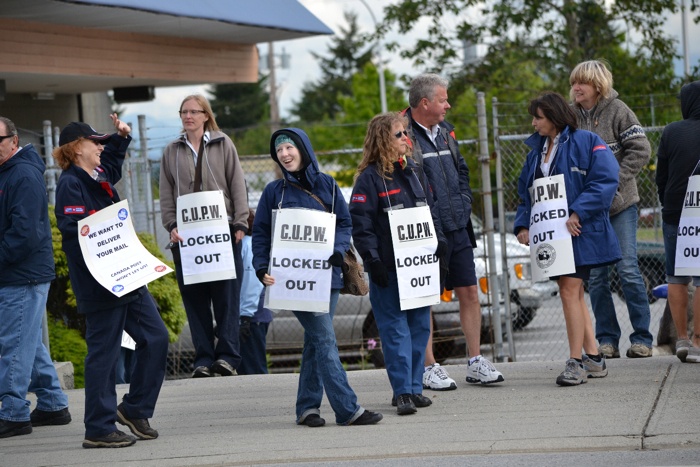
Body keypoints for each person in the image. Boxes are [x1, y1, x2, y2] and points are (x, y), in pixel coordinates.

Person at [252, 128, 382, 427]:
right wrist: (261, 267)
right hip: (290, 281)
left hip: (328, 278)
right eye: (279, 150)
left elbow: (344, 222)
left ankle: (307, 408)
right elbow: (260, 234)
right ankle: (348, 410)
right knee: (324, 339)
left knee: (315, 341)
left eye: (289, 147)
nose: (284, 154)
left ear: (303, 148)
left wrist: (337, 251)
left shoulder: (327, 185)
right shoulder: (274, 192)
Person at [55, 115, 169, 448]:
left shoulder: (97, 174)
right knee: (103, 355)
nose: (101, 147)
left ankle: (134, 408)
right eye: (96, 142)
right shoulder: (70, 184)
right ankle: (99, 427)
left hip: (127, 278)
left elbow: (113, 165)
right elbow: (74, 231)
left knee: (156, 337)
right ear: (78, 149)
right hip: (100, 285)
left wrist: (121, 138)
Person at [514, 92, 621, 386]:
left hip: (578, 232)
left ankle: (575, 363)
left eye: (538, 117)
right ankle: (594, 358)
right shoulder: (535, 152)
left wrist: (578, 212)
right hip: (552, 236)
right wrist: (523, 225)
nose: (534, 123)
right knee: (570, 292)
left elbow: (606, 179)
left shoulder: (587, 142)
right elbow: (527, 192)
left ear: (554, 117)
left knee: (569, 291)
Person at [404, 73, 503, 388]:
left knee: (470, 292)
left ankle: (475, 362)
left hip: (457, 226)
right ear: (425, 103)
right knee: (426, 298)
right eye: (443, 99)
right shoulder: (400, 132)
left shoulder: (447, 132)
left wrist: (463, 204)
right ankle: (429, 366)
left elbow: (462, 170)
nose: (448, 105)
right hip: (425, 231)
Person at [350, 112, 446, 415]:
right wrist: (373, 260)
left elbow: (431, 210)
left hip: (419, 267)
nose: (406, 139)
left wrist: (439, 240)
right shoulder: (369, 179)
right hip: (388, 270)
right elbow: (361, 224)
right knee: (394, 330)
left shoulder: (416, 171)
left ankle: (414, 388)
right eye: (399, 134)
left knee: (419, 327)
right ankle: (402, 390)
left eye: (406, 133)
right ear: (382, 140)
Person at [570, 59, 654, 359]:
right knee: (596, 277)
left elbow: (642, 149)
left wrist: (612, 181)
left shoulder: (619, 111)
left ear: (597, 85)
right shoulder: (571, 117)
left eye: (581, 82)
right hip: (589, 212)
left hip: (621, 206)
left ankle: (642, 338)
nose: (575, 88)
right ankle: (606, 340)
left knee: (628, 269)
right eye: (573, 83)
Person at [160, 94, 248, 378]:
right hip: (187, 237)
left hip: (222, 232)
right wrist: (171, 224)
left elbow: (237, 184)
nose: (188, 116)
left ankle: (227, 357)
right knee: (195, 299)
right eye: (183, 112)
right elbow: (165, 193)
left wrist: (241, 223)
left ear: (206, 115)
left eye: (194, 112)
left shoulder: (223, 144)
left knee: (226, 297)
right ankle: (203, 359)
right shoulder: (171, 150)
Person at [0, 116, 71, 439]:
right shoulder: (10, 173)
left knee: (12, 346)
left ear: (14, 141)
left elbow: (24, 235)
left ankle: (13, 412)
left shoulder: (22, 175)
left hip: (22, 276)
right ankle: (54, 404)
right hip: (20, 274)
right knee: (27, 343)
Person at [655, 80, 700, 363]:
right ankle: (699, 339)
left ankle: (682, 338)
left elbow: (662, 175)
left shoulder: (672, 131)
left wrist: (666, 201)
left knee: (676, 275)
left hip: (676, 212)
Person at [238, 209, 273, 375]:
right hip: (254, 314)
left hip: (252, 316)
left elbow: (252, 283)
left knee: (253, 368)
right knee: (251, 365)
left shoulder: (247, 245)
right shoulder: (252, 244)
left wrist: (244, 316)